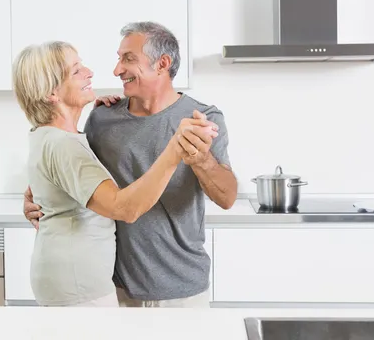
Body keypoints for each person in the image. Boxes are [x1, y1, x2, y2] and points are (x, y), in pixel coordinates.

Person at [24, 22, 238, 308]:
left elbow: (227, 198)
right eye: (119, 58)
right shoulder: (102, 119)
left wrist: (201, 160)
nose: (116, 70)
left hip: (182, 289)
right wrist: (40, 198)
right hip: (117, 289)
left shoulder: (203, 119)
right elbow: (73, 176)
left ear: (162, 63)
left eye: (128, 59)